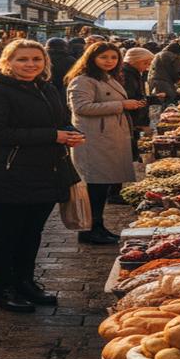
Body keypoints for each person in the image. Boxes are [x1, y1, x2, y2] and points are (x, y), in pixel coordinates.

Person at [0, 40, 84, 312]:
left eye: (36, 59)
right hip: (10, 172)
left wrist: (69, 132)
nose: (30, 64)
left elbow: (57, 120)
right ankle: (2, 290)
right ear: (8, 62)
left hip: (46, 171)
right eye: (22, 59)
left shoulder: (45, 87)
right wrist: (53, 135)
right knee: (5, 234)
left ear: (45, 62)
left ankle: (25, 282)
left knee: (31, 232)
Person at [66, 42, 143, 244]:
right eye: (103, 57)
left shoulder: (108, 78)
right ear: (91, 58)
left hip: (109, 137)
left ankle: (98, 226)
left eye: (113, 57)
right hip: (95, 139)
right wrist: (121, 105)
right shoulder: (83, 80)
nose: (109, 61)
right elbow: (82, 107)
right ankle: (89, 229)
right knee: (95, 186)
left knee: (101, 186)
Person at [120, 47, 158, 157]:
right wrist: (140, 124)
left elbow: (138, 97)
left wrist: (153, 98)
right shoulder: (127, 75)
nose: (147, 67)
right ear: (135, 61)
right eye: (145, 63)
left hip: (134, 120)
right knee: (132, 150)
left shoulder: (133, 73)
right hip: (132, 120)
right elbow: (132, 100)